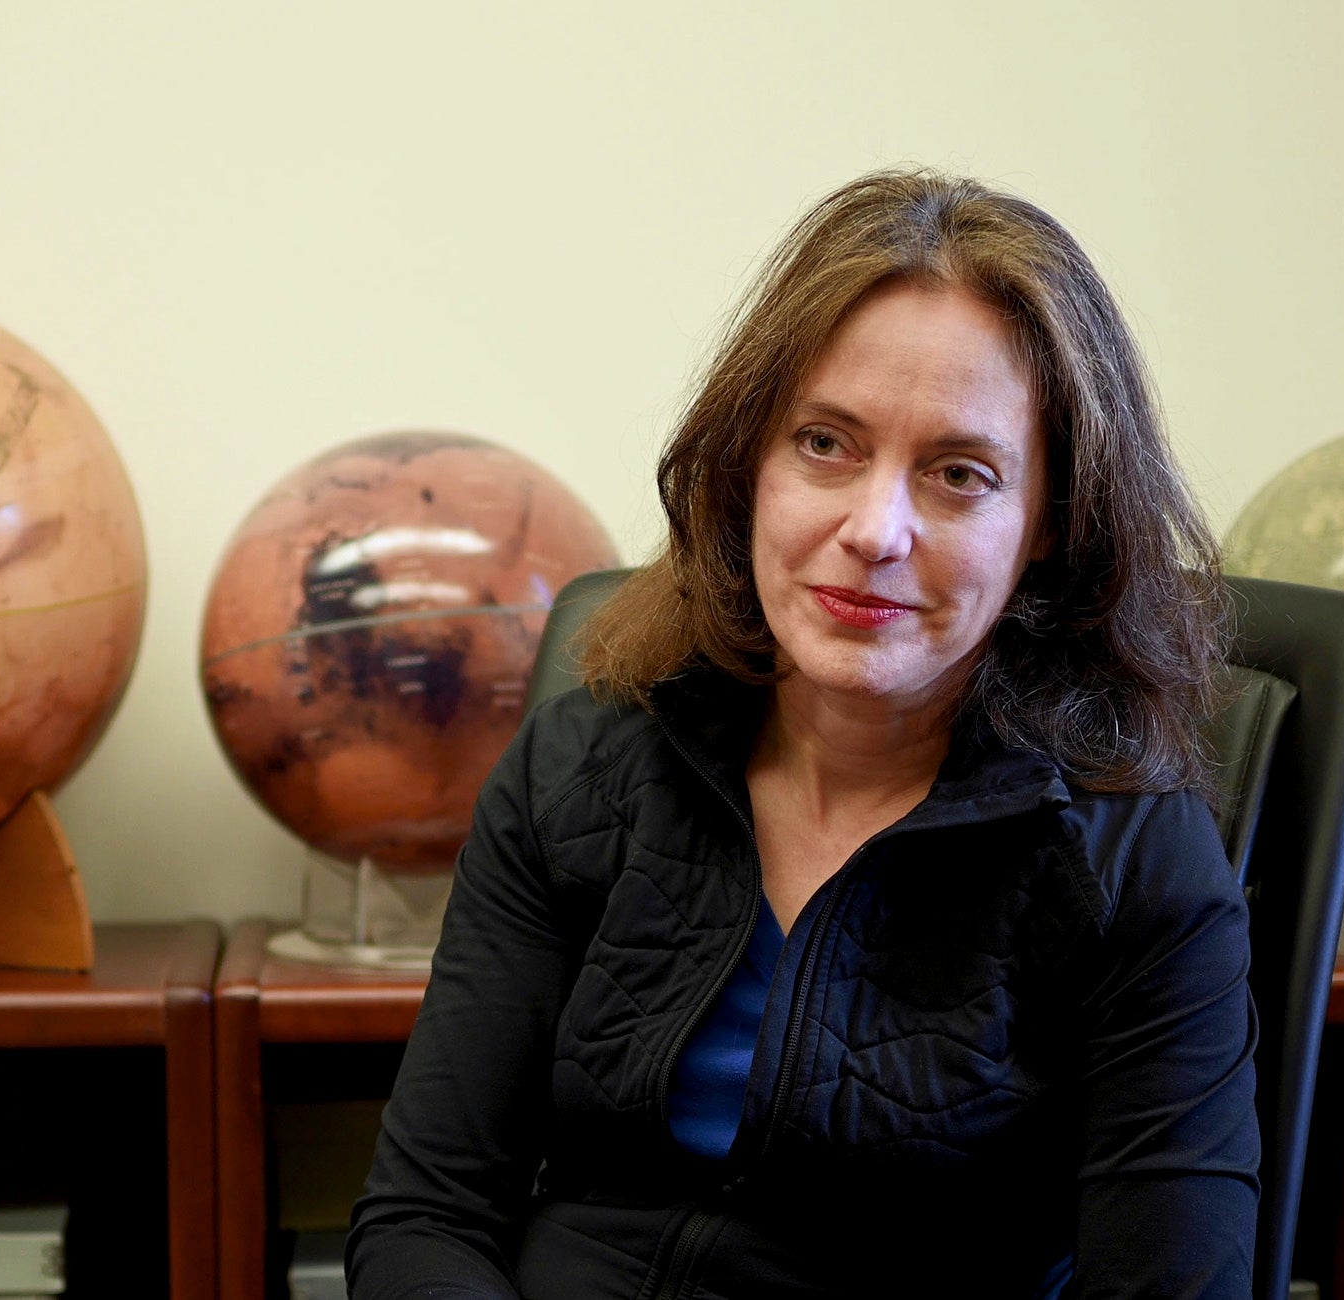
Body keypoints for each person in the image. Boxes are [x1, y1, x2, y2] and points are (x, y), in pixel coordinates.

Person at [347, 169, 1258, 1299]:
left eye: (960, 474)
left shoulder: (1136, 863)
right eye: (825, 443)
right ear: (748, 468)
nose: (873, 530)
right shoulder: (575, 774)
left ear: (1048, 528)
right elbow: (427, 1215)